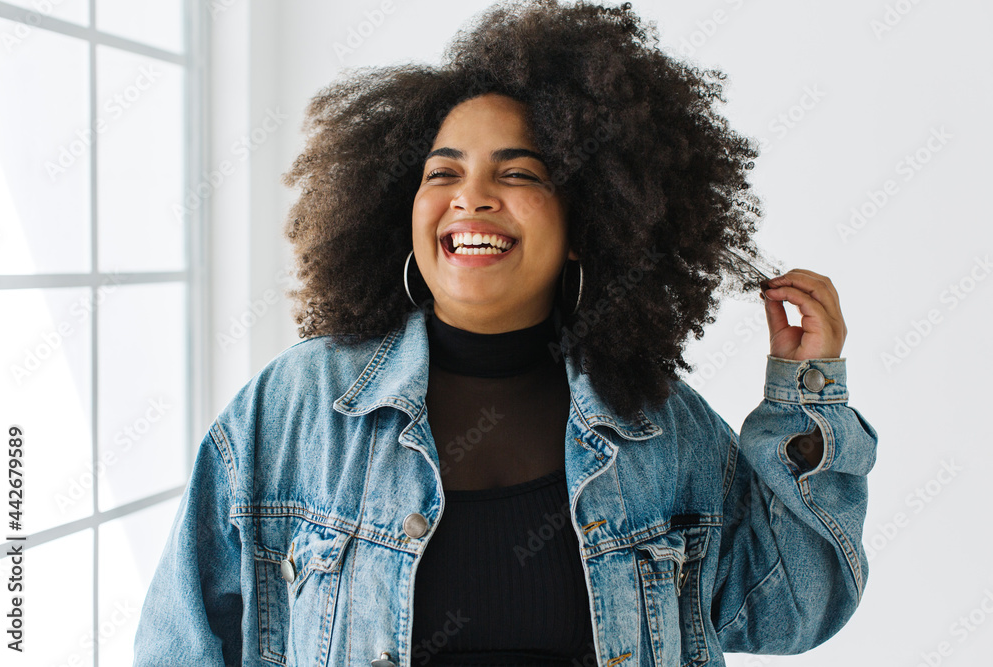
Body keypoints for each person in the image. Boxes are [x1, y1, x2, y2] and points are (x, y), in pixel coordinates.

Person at [132, 1, 878, 665]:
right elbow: (180, 643)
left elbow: (790, 609)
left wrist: (806, 396)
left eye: (517, 174)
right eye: (442, 174)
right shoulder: (294, 408)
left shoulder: (657, 424)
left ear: (585, 222)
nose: (473, 199)